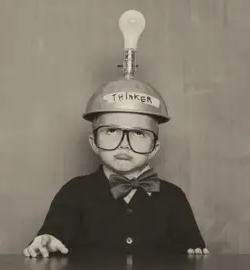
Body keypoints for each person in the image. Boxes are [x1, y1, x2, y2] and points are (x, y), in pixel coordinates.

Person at [24, 10, 208, 258]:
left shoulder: (173, 197)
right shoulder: (74, 192)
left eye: (139, 134)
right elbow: (54, 236)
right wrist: (47, 240)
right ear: (94, 142)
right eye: (111, 131)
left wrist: (195, 253)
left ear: (155, 147)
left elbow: (193, 252)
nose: (125, 144)